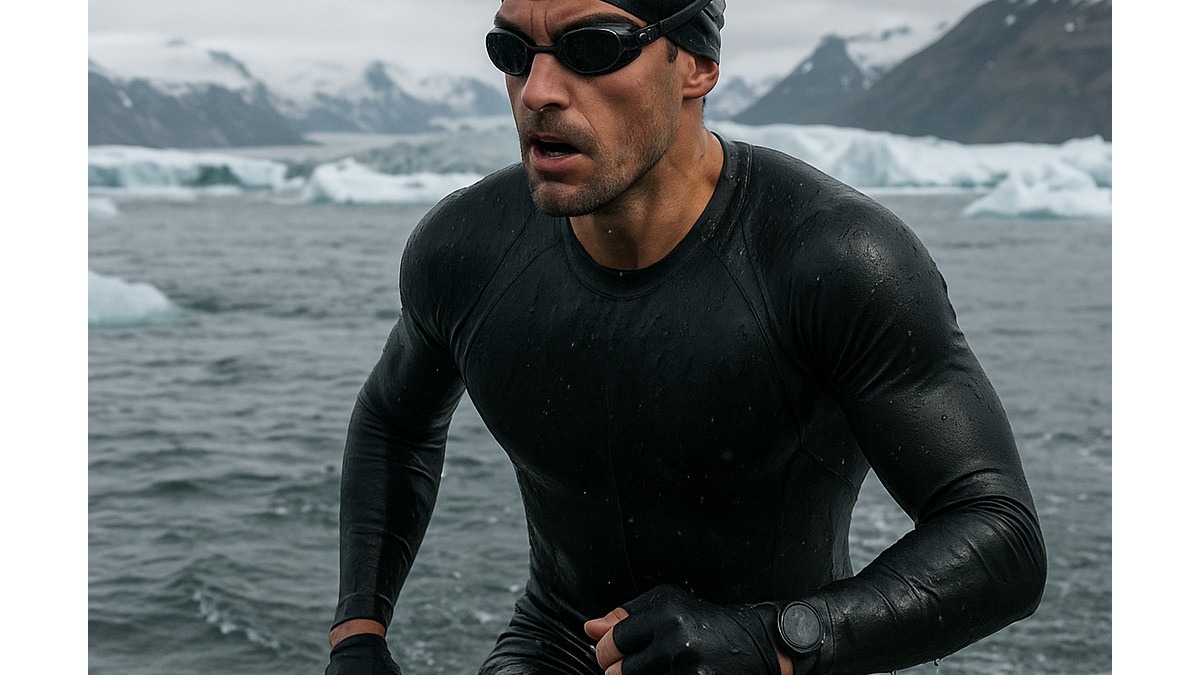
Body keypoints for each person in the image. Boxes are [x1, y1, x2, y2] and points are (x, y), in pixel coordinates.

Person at [325, 0, 1047, 673]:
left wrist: (769, 639)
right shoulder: (465, 248)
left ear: (697, 67)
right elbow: (394, 422)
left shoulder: (832, 258)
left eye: (592, 48)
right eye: (513, 52)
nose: (538, 89)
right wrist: (358, 631)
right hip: (555, 643)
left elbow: (1000, 536)